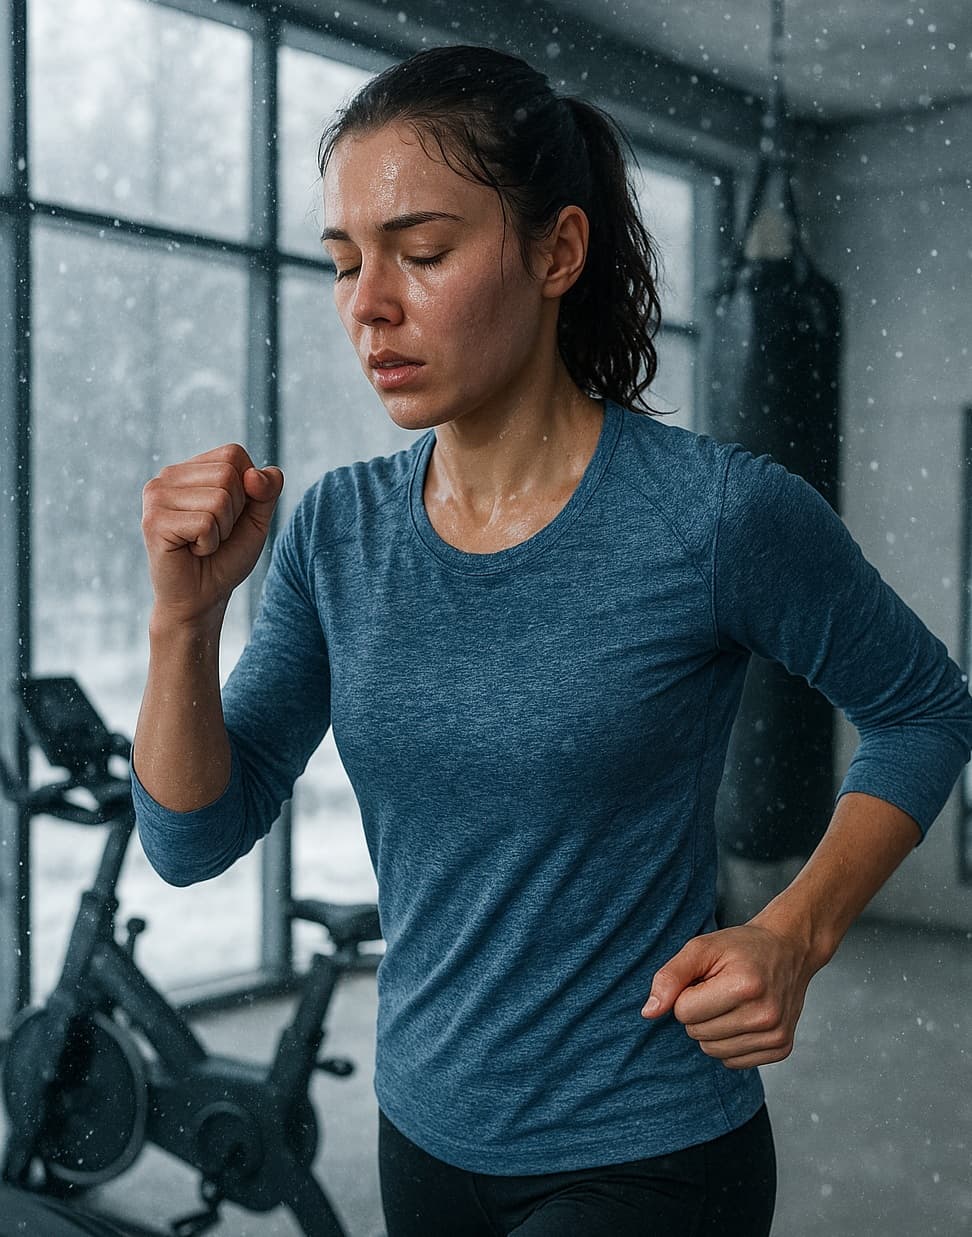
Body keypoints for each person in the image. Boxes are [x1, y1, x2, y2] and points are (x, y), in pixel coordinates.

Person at [132, 44, 972, 1237]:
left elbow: (925, 705)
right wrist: (182, 617)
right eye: (345, 262)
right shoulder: (338, 529)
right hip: (423, 1132)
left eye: (421, 254)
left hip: (648, 1147)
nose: (370, 303)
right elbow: (190, 834)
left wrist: (798, 930)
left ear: (556, 252)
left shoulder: (716, 517)